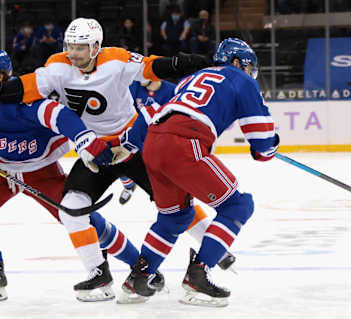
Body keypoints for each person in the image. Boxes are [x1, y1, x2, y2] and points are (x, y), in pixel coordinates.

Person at [0, 18, 237, 303]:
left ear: (95, 46)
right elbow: (24, 87)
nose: (73, 53)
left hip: (134, 146)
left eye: (80, 47)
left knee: (174, 202)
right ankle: (99, 272)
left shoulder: (116, 60)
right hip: (94, 149)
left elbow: (154, 67)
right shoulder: (58, 65)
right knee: (71, 208)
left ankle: (216, 250)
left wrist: (191, 62)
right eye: (69, 45)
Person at [0, 49, 148, 302]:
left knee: (78, 218)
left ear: (2, 76)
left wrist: (86, 141)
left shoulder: (25, 98)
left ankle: (138, 265)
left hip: (41, 171)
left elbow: (61, 116)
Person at [119, 38, 279, 307]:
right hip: (184, 143)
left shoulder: (190, 78)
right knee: (238, 205)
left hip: (155, 143)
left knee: (175, 218)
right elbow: (263, 145)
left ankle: (138, 279)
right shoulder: (242, 79)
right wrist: (269, 147)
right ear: (237, 62)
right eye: (248, 66)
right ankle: (198, 276)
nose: (250, 72)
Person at [118, 79, 176, 205]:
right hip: (135, 133)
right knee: (118, 159)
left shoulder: (172, 90)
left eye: (143, 74)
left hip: (159, 137)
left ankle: (169, 200)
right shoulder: (134, 86)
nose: (138, 77)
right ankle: (129, 186)